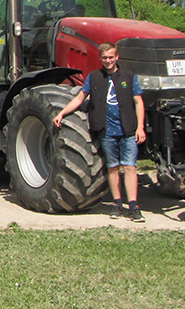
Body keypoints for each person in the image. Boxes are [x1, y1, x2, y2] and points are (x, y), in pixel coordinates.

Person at [53, 42, 146, 222]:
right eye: (105, 58)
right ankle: (117, 205)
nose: (108, 61)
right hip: (107, 131)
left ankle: (134, 207)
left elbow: (138, 102)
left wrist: (140, 127)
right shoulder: (94, 77)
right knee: (112, 168)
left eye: (111, 57)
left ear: (117, 57)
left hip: (128, 130)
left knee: (129, 167)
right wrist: (62, 113)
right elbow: (80, 98)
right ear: (101, 59)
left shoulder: (128, 76)